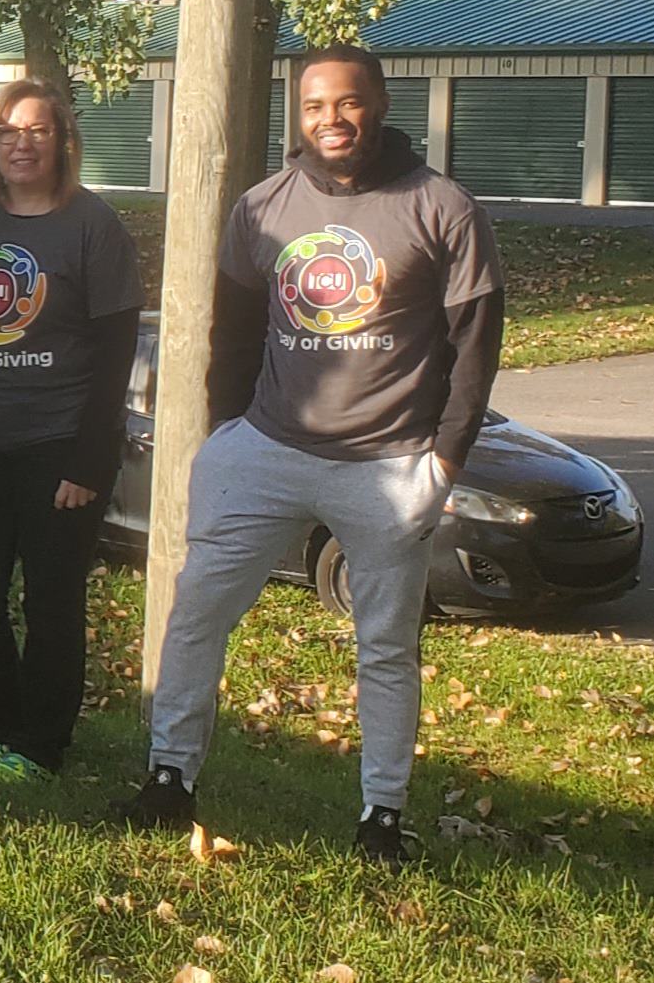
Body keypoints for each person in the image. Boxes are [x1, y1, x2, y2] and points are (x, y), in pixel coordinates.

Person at [118, 45, 504, 864]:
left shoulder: (442, 207)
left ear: (380, 103)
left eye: (348, 103)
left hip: (388, 463)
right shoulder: (261, 207)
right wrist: (226, 434)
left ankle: (381, 816)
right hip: (263, 449)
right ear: (298, 114)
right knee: (196, 614)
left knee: (385, 644)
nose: (332, 119)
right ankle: (167, 779)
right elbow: (233, 333)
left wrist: (443, 463)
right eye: (314, 106)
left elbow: (475, 345)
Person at [0, 79, 142, 782]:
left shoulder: (92, 225)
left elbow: (116, 349)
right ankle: (2, 712)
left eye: (36, 130)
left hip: (62, 443)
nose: (20, 142)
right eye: (6, 130)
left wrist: (89, 457)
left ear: (62, 142)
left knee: (50, 599)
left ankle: (39, 742)